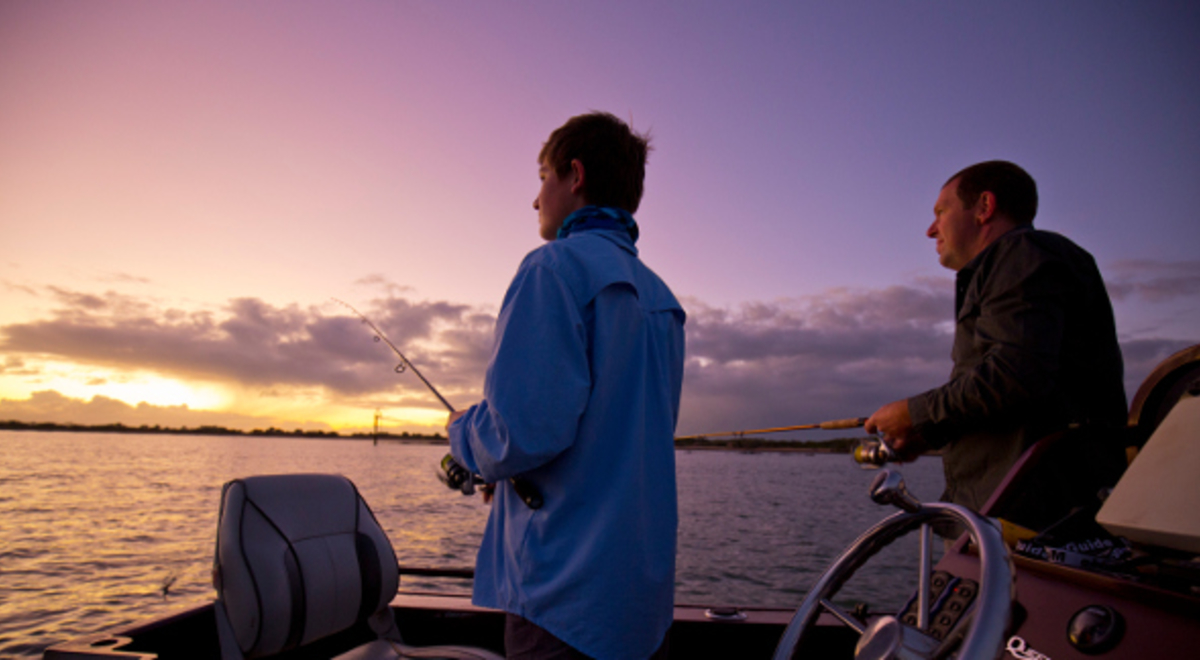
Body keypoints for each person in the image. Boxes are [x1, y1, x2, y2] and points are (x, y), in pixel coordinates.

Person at [446, 112, 685, 660]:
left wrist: (462, 432)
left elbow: (517, 434)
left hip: (563, 604)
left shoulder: (551, 270)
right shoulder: (661, 299)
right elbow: (610, 440)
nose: (535, 200)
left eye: (541, 177)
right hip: (638, 606)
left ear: (573, 175)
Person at [864, 160, 1127, 532]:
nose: (930, 229)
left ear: (985, 207)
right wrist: (927, 434)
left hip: (1032, 521)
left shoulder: (1021, 252)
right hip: (1005, 515)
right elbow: (1018, 395)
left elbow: (1017, 374)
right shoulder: (1020, 260)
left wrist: (913, 413)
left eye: (941, 212)